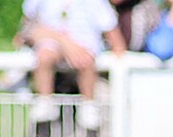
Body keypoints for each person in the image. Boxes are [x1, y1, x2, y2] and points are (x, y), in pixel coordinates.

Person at [18, 0, 127, 129]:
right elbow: (25, 31)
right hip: (51, 50)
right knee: (45, 56)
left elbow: (115, 39)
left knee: (85, 60)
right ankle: (45, 100)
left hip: (86, 53)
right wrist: (65, 44)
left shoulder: (97, 3)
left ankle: (88, 104)